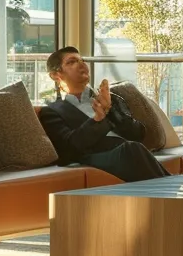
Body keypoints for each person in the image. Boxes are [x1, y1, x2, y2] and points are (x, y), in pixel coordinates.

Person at [38, 47, 170, 183]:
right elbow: (68, 148)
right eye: (72, 62)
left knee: (132, 148)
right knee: (131, 149)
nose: (81, 64)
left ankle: (171, 189)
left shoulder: (108, 98)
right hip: (94, 156)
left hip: (128, 151)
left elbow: (137, 134)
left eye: (81, 60)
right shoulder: (52, 111)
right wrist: (97, 120)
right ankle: (172, 187)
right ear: (55, 75)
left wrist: (110, 110)